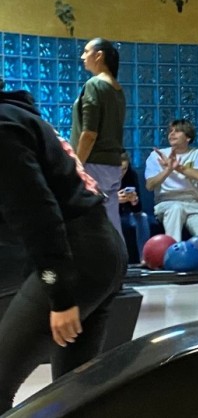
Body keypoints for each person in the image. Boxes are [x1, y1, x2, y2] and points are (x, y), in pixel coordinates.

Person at [0, 85, 126, 413]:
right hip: (102, 248)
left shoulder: (3, 127)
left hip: (78, 258)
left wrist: (60, 294)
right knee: (74, 393)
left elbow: (37, 211)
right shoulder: (17, 115)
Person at [70, 38, 126, 239]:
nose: (82, 56)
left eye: (86, 51)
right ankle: (118, 259)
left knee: (90, 223)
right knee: (111, 222)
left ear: (99, 55)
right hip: (112, 166)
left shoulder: (94, 85)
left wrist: (77, 164)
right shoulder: (117, 89)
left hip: (93, 164)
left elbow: (89, 133)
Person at [144, 119, 198, 242]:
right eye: (170, 131)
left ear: (188, 137)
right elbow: (149, 186)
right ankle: (174, 248)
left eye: (177, 131)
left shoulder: (197, 153)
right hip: (167, 203)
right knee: (176, 208)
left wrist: (178, 167)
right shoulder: (157, 155)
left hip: (194, 204)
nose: (171, 134)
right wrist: (168, 170)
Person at [119, 152, 151, 262]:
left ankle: (144, 258)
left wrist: (134, 201)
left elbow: (137, 209)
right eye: (118, 169)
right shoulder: (104, 177)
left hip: (125, 212)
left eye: (124, 169)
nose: (121, 173)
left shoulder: (131, 175)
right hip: (108, 211)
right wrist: (114, 199)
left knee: (142, 217)